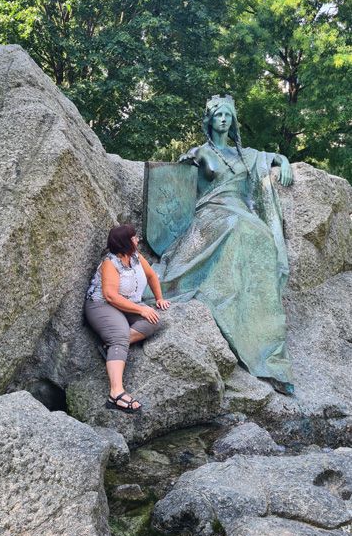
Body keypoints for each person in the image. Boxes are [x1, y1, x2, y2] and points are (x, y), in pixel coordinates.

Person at [153, 94, 295, 396]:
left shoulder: (247, 155)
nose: (223, 119)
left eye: (228, 115)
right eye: (218, 114)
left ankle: (263, 340)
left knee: (259, 237)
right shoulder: (198, 152)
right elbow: (175, 186)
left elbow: (271, 158)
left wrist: (283, 160)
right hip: (212, 214)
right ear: (209, 119)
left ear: (233, 121)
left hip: (241, 212)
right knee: (236, 227)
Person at [85, 224, 170, 413]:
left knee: (154, 320)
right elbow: (110, 296)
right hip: (102, 305)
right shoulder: (110, 263)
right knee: (119, 334)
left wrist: (159, 299)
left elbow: (151, 276)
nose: (137, 239)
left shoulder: (136, 258)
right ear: (125, 242)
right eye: (134, 237)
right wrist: (140, 310)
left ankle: (112, 348)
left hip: (126, 304)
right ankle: (115, 394)